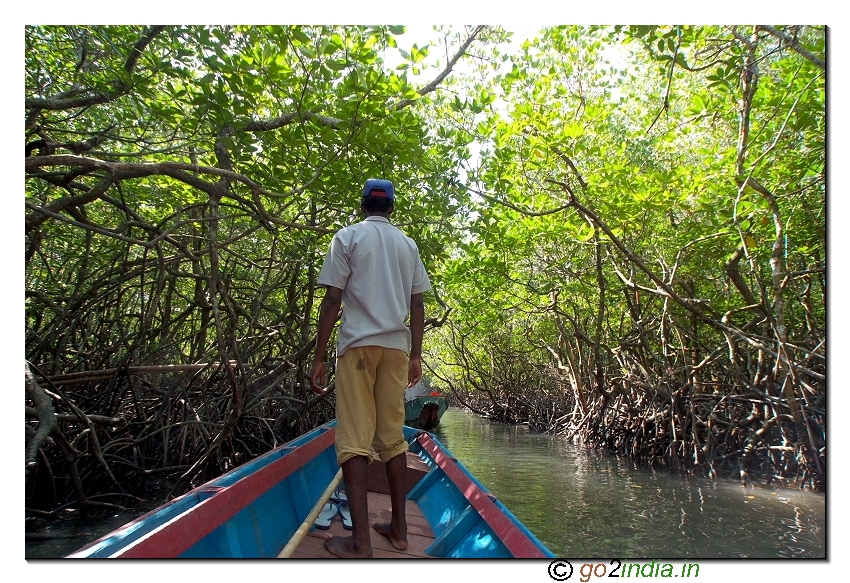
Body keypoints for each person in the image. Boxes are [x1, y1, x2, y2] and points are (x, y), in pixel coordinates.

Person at [310, 178, 431, 558]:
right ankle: (399, 530)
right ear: (391, 207)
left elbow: (332, 300)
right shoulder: (408, 245)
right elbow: (417, 307)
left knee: (354, 440)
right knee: (392, 437)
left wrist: (318, 357)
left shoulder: (347, 238)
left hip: (359, 349)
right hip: (396, 350)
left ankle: (360, 542)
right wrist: (415, 355)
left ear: (363, 204)